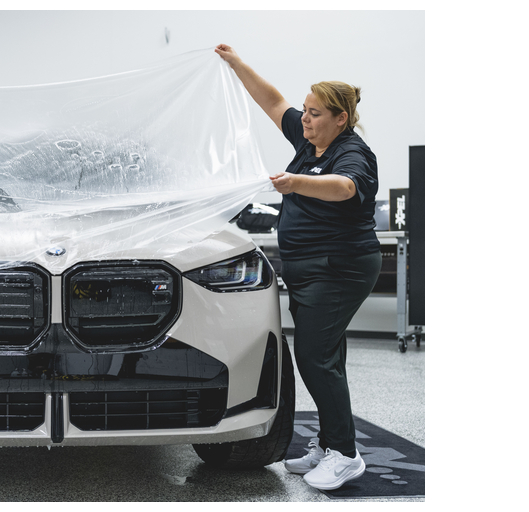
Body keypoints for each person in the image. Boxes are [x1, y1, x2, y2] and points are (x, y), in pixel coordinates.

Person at [214, 44, 382, 491]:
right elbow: (272, 101)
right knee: (328, 357)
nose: (304, 119)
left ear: (340, 118)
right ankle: (329, 444)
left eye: (315, 113)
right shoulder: (309, 140)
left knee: (314, 356)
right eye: (305, 111)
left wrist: (295, 183)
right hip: (311, 269)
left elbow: (344, 188)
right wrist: (236, 63)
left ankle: (345, 455)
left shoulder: (353, 152)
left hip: (340, 267)